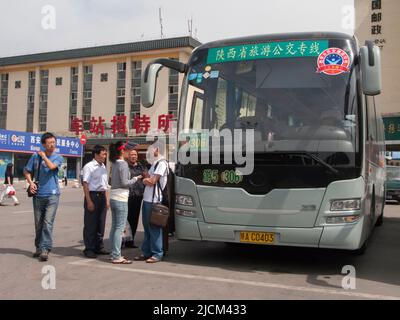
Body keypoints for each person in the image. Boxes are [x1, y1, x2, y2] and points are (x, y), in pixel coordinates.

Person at [24, 132, 64, 262]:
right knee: (38, 224)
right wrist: (30, 183)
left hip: (52, 195)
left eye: (54, 142)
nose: (52, 145)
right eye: (49, 143)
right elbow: (26, 170)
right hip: (38, 195)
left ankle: (45, 249)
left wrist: (44, 157)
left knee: (47, 223)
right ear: (43, 144)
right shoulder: (35, 157)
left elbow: (52, 167)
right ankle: (39, 247)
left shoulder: (58, 157)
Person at [108, 141, 142, 264]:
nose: (130, 152)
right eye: (128, 150)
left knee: (114, 227)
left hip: (114, 197)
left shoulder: (115, 163)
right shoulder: (123, 164)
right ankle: (117, 256)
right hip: (121, 198)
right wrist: (135, 178)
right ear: (122, 151)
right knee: (119, 228)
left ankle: (113, 253)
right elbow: (124, 182)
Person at [135, 141, 168, 263]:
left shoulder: (162, 164)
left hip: (155, 201)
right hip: (147, 199)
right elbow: (147, 178)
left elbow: (152, 181)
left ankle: (157, 253)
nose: (149, 152)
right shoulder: (154, 164)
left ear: (157, 150)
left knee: (155, 228)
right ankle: (146, 252)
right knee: (147, 228)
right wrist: (146, 179)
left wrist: (146, 180)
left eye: (151, 149)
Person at [82, 145, 110, 259]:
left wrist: (107, 200)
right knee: (90, 224)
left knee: (101, 223)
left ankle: (99, 246)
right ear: (96, 154)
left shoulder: (103, 166)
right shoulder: (88, 167)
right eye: (103, 154)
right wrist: (89, 201)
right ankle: (89, 248)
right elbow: (85, 184)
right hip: (92, 196)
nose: (105, 156)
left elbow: (105, 185)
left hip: (102, 197)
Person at [125, 143, 146, 249]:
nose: (134, 156)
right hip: (127, 196)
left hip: (138, 196)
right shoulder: (125, 166)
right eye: (132, 154)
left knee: (134, 219)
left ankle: (130, 240)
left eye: (135, 155)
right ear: (128, 156)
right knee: (125, 219)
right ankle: (123, 240)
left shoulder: (140, 166)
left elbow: (145, 175)